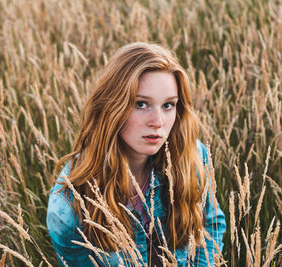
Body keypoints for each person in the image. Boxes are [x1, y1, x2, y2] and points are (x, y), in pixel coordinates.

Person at [47, 42, 226, 267]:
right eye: (141, 104)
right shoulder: (68, 207)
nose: (158, 122)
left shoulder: (191, 156)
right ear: (113, 107)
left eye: (168, 105)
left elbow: (210, 225)